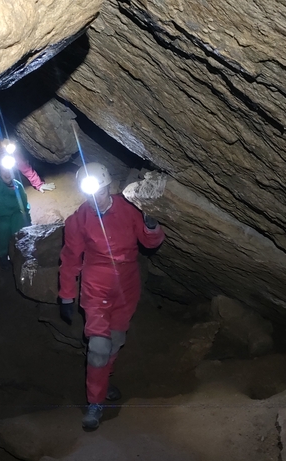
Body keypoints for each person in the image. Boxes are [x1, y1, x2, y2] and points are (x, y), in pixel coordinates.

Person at [58, 162, 165, 430]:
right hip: (96, 286)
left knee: (115, 342)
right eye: (90, 193)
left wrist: (151, 227)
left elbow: (149, 243)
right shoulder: (78, 220)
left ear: (107, 186)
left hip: (126, 287)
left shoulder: (128, 209)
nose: (96, 198)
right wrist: (67, 295)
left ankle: (103, 382)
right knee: (98, 348)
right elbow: (70, 258)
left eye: (100, 191)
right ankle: (95, 403)